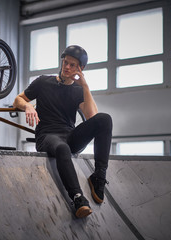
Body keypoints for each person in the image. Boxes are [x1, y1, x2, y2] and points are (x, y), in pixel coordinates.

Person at [13, 45, 113, 218]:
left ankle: (99, 177)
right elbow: (18, 99)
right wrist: (28, 106)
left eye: (73, 65)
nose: (67, 67)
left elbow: (92, 117)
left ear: (80, 69)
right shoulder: (43, 82)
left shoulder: (78, 90)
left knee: (105, 119)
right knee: (62, 148)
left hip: (70, 136)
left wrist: (85, 86)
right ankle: (77, 198)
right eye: (66, 62)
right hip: (47, 136)